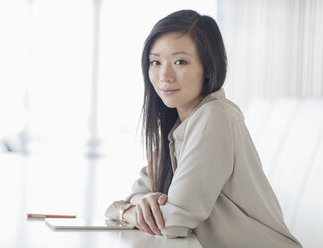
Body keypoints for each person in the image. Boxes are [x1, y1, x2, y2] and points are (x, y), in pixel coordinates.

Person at [105, 9, 302, 248]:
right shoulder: (178, 127)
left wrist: (124, 211)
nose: (164, 75)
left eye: (180, 61)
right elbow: (137, 193)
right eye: (155, 62)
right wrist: (135, 206)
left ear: (208, 67)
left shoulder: (215, 116)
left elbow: (172, 223)